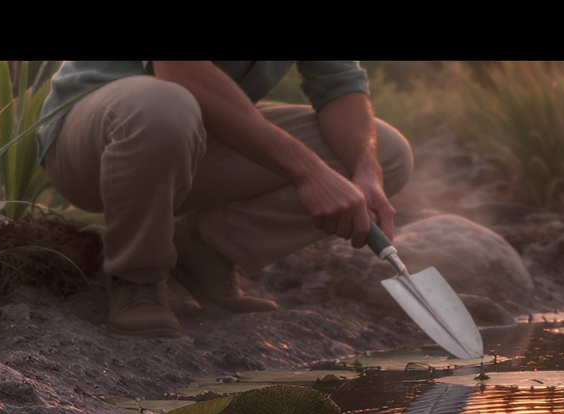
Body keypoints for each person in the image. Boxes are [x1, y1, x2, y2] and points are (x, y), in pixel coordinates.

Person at [36, 61, 413, 338]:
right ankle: (137, 278)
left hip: (194, 126)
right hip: (94, 133)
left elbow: (339, 86)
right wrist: (309, 172)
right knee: (163, 105)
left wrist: (367, 172)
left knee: (389, 152)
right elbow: (180, 70)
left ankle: (206, 248)